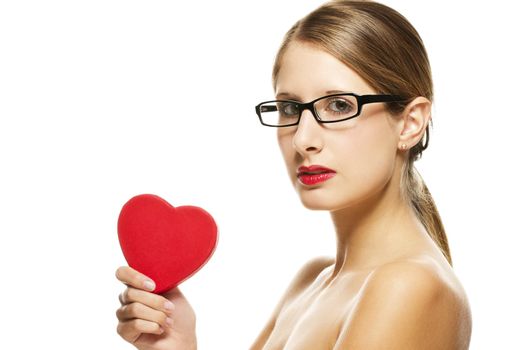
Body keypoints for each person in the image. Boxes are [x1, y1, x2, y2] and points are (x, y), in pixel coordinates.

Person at [115, 0, 472, 348]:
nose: (303, 139)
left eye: (339, 105)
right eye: (289, 108)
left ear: (410, 123)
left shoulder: (410, 285)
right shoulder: (311, 281)